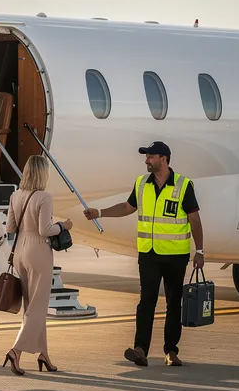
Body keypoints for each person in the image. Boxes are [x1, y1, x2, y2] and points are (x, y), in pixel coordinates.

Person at [84, 141, 204, 367]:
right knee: (146, 301)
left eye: (151, 156)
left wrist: (200, 250)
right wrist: (99, 212)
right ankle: (141, 349)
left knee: (173, 303)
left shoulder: (183, 185)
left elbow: (194, 219)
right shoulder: (141, 184)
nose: (146, 160)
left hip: (175, 256)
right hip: (148, 255)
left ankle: (171, 351)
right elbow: (127, 208)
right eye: (146, 156)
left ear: (164, 159)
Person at [2, 156, 72, 376]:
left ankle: (44, 355)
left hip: (20, 250)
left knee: (31, 305)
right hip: (38, 251)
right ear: (43, 173)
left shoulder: (16, 195)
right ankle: (16, 350)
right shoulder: (44, 197)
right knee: (38, 307)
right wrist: (63, 225)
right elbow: (45, 230)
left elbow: (10, 227)